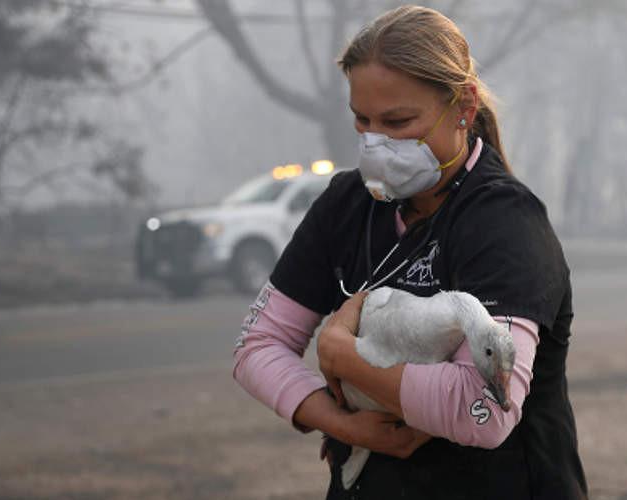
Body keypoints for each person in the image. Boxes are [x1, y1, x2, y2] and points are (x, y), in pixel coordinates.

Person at [232, 5, 587, 499]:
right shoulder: (347, 205)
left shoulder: (506, 224)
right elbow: (257, 346)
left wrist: (344, 357)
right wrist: (344, 425)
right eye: (363, 122)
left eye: (398, 122)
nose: (376, 145)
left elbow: (482, 413)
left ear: (463, 106)